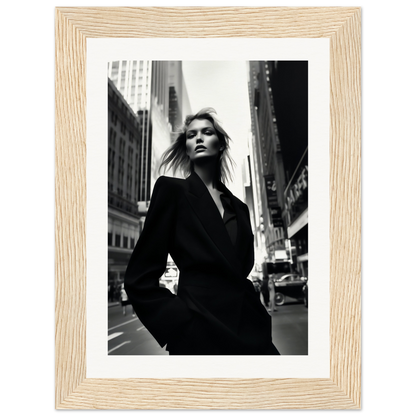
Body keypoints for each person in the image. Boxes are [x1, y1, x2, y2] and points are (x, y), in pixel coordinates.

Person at [125, 107, 279, 355]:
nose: (198, 138)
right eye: (191, 135)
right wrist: (180, 321)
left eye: (206, 132)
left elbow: (241, 269)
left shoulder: (240, 208)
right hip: (199, 334)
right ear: (186, 147)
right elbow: (139, 278)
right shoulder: (171, 191)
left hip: (251, 330)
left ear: (220, 145)